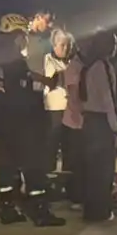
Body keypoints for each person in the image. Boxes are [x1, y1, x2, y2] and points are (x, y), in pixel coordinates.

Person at [0, 14, 65, 227]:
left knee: (7, 166)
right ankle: (39, 211)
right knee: (33, 167)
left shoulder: (4, 62)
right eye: (22, 36)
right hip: (20, 125)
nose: (24, 40)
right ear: (16, 37)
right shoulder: (7, 63)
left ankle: (9, 208)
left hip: (7, 125)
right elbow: (2, 95)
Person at [67, 30, 117, 222]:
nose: (116, 47)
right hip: (101, 122)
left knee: (92, 170)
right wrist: (116, 128)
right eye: (113, 43)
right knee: (104, 170)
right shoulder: (103, 67)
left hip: (89, 120)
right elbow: (109, 100)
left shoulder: (88, 67)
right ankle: (102, 211)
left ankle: (92, 210)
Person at [42, 29, 77, 196]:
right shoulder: (47, 60)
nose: (65, 48)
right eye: (62, 45)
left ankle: (68, 184)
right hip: (54, 110)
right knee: (51, 148)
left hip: (70, 109)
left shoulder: (72, 62)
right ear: (54, 45)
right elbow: (54, 79)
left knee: (70, 147)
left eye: (68, 45)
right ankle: (49, 184)